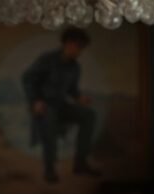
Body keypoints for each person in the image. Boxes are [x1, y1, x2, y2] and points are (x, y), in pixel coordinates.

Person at [22, 27, 99, 184]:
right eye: (78, 46)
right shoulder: (47, 59)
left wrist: (79, 98)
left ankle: (80, 163)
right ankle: (49, 170)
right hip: (43, 104)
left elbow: (71, 89)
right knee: (49, 120)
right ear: (68, 44)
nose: (80, 51)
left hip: (61, 105)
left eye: (82, 48)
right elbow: (28, 78)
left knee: (89, 115)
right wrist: (35, 100)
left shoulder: (75, 67)